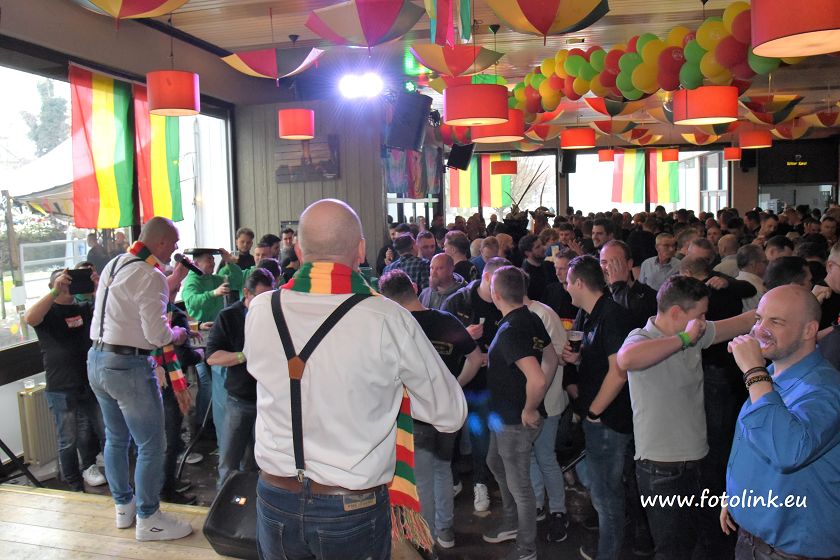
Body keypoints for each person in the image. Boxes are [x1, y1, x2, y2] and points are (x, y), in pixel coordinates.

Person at [244, 199, 466, 559]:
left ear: (298, 250)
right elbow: (450, 413)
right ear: (361, 250)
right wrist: (391, 393)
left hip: (274, 497)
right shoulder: (386, 318)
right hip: (349, 507)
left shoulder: (260, 309)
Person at [617, 276, 755, 559]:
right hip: (661, 470)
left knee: (695, 544)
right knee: (672, 551)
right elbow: (626, 359)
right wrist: (684, 338)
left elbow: (742, 322)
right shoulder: (642, 337)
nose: (704, 321)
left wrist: (794, 301)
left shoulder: (696, 334)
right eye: (700, 315)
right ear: (676, 312)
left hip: (697, 462)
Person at [87, 216, 193, 541]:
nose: (176, 248)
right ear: (160, 242)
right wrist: (179, 333)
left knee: (116, 439)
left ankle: (124, 507)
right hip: (128, 366)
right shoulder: (151, 275)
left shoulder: (115, 264)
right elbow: (156, 334)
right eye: (174, 243)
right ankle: (149, 518)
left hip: (97, 360)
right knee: (152, 444)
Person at [722, 285, 840, 559]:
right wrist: (739, 497)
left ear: (809, 330)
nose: (759, 329)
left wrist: (754, 372)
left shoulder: (826, 389)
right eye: (758, 318)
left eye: (775, 321)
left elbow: (788, 451)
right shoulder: (771, 374)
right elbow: (756, 442)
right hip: (751, 539)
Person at [378, 269, 481, 550]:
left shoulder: (397, 327)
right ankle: (445, 531)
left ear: (388, 300)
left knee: (421, 479)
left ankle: (427, 541)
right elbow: (475, 357)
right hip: (447, 413)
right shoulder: (446, 320)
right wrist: (454, 386)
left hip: (414, 415)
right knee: (443, 470)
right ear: (414, 287)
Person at [562, 255, 634, 560]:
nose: (565, 287)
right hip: (598, 418)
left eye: (568, 282)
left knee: (606, 495)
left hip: (609, 421)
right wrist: (577, 358)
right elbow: (598, 360)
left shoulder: (612, 316)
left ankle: (609, 553)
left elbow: (619, 371)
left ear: (579, 283)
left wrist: (594, 412)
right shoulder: (586, 314)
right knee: (604, 491)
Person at [482, 266, 556, 560]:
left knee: (521, 486)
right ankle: (512, 522)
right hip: (503, 418)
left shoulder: (511, 330)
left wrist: (530, 407)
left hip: (515, 420)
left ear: (496, 294)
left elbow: (537, 378)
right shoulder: (530, 318)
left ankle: (526, 548)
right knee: (494, 461)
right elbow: (551, 358)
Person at [24, 267, 106, 491]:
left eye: (70, 281)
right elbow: (30, 317)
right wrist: (54, 291)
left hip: (89, 382)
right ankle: (74, 486)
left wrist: (98, 287)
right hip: (61, 386)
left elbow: (107, 313)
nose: (68, 286)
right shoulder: (48, 313)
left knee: (105, 431)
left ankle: (96, 469)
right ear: (53, 285)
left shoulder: (83, 308)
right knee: (68, 440)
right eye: (63, 282)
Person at [442, 256, 511, 513]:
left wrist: (491, 357)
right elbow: (439, 343)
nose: (501, 292)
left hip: (486, 383)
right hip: (458, 381)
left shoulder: (504, 303)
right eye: (499, 284)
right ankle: (452, 480)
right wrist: (463, 337)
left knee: (481, 435)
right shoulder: (458, 301)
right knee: (449, 434)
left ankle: (480, 482)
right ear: (486, 278)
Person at [207, 268, 275, 488]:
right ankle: (223, 502)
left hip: (267, 401)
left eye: (270, 297)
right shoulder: (229, 317)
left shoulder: (275, 316)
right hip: (240, 400)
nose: (266, 303)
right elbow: (212, 357)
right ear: (246, 293)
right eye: (260, 297)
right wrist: (243, 356)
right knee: (229, 461)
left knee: (257, 463)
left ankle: (250, 504)